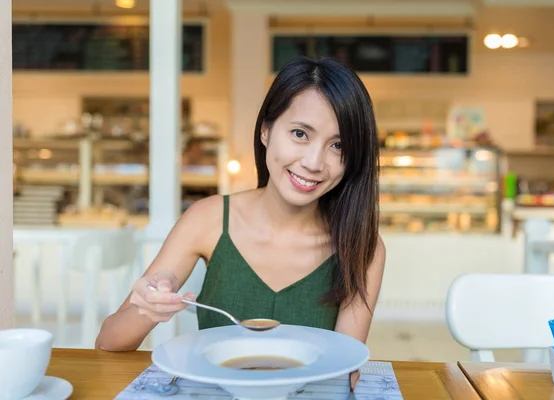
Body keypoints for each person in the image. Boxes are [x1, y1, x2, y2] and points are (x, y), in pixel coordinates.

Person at [95, 56, 386, 388]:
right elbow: (108, 342)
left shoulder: (363, 246)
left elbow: (342, 374)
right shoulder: (206, 219)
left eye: (338, 145)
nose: (314, 162)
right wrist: (148, 306)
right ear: (265, 131)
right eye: (300, 133)